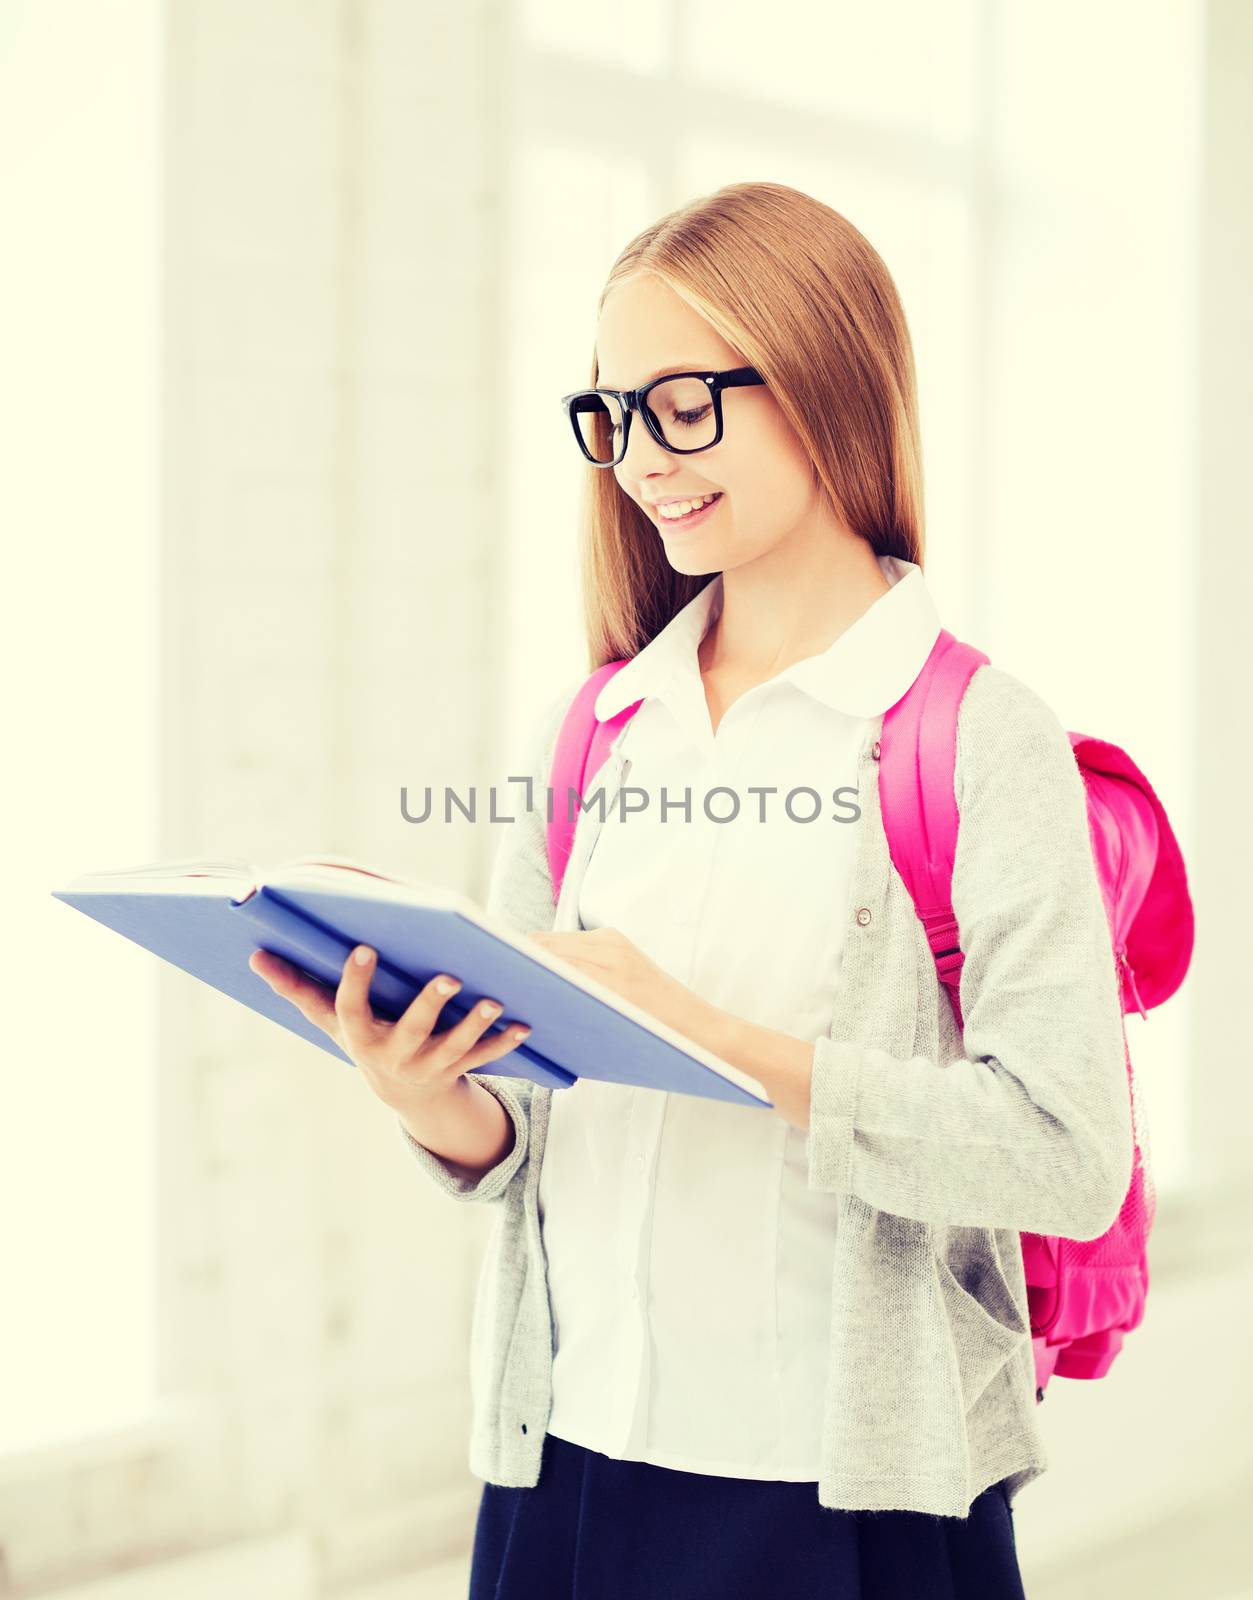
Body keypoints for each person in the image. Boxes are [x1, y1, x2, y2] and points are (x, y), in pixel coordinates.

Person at [251, 181, 1133, 1599]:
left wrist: (708, 1034)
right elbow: (531, 1142)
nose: (640, 458)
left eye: (682, 403)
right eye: (610, 413)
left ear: (823, 382)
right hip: (568, 1467)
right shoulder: (591, 728)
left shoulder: (974, 735)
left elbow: (1065, 1158)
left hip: (839, 1500)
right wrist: (436, 1102)